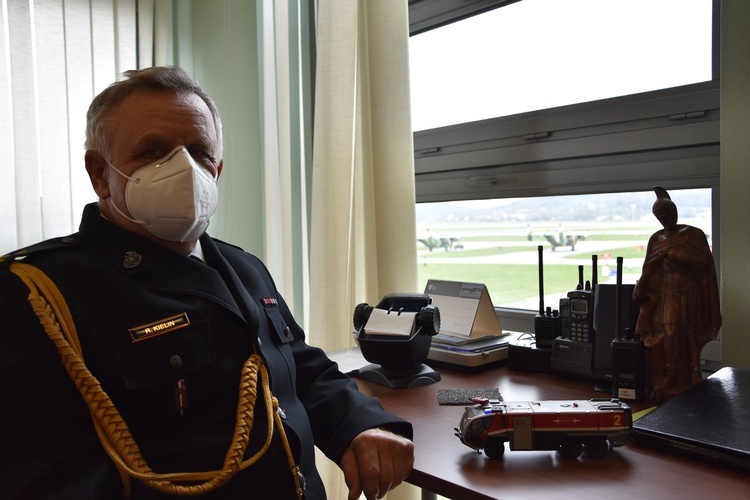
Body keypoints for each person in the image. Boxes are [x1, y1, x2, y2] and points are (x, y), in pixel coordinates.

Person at [0, 66, 414, 500]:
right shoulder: (39, 295)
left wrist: (359, 424)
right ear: (100, 173)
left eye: (198, 152)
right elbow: (49, 476)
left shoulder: (243, 264)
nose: (183, 168)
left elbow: (296, 366)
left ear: (216, 169)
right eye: (152, 150)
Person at [632, 186, 722, 403]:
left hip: (689, 295)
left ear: (675, 212)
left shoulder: (693, 235)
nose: (665, 220)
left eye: (668, 215)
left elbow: (703, 265)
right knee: (669, 333)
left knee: (690, 333)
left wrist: (675, 256)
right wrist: (644, 282)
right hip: (666, 295)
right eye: (660, 217)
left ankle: (691, 371)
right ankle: (671, 373)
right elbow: (649, 268)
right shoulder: (656, 239)